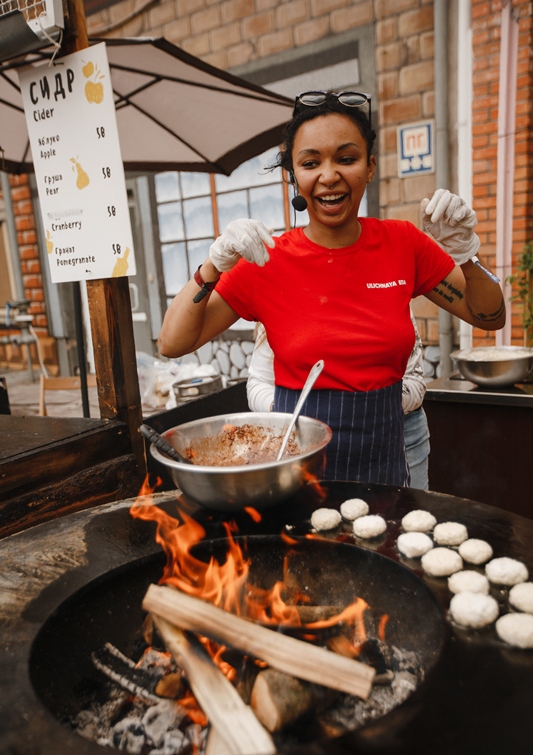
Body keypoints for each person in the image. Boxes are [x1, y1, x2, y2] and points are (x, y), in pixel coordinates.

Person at [158, 90, 505, 487]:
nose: (328, 176)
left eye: (346, 158)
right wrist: (213, 265)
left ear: (370, 167)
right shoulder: (266, 259)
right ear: (293, 175)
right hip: (296, 474)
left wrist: (466, 254)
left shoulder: (404, 244)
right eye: (310, 163)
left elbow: (488, 316)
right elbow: (172, 343)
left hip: (386, 467)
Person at [247, 316, 431, 489]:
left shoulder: (389, 293)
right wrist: (291, 413)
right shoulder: (281, 301)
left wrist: (370, 407)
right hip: (303, 445)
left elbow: (415, 383)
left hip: (400, 438)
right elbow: (258, 384)